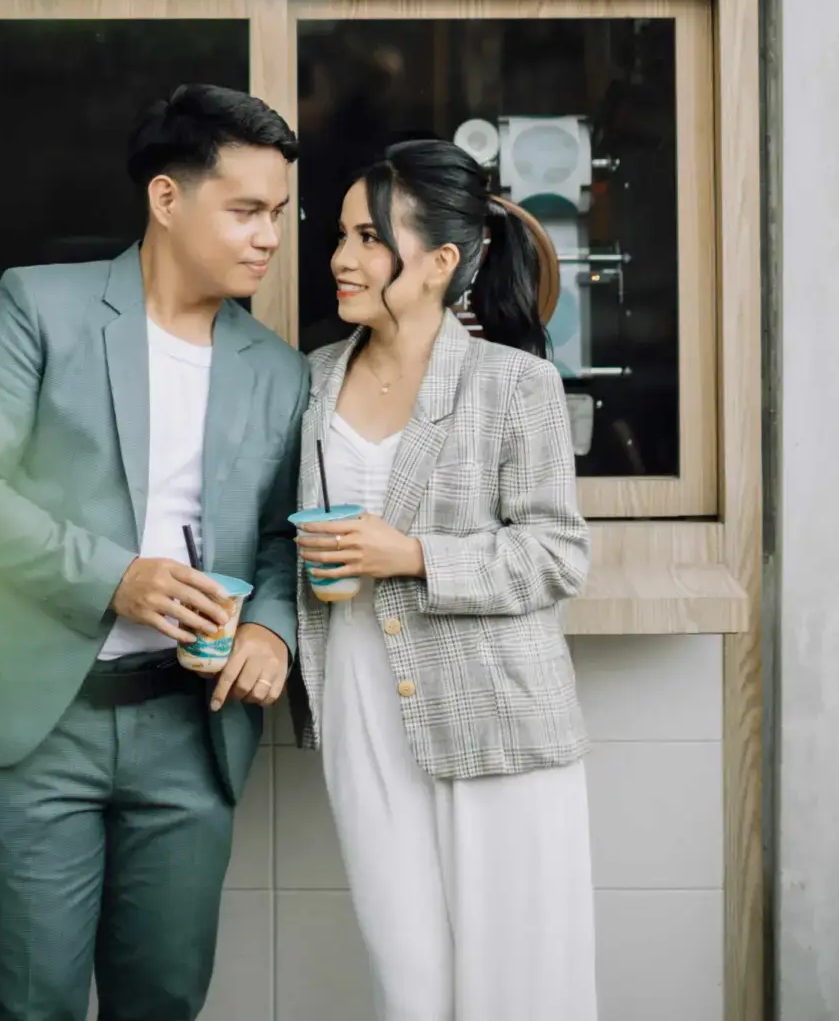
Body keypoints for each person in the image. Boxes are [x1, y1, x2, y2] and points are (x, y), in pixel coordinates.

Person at [0, 84, 310, 1021]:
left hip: (191, 732)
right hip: (35, 725)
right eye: (246, 210)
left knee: (164, 1003)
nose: (269, 237)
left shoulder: (279, 369)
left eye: (279, 214)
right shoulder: (41, 305)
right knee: (27, 1006)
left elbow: (278, 536)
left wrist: (271, 631)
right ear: (167, 198)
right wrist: (116, 580)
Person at [292, 139, 596, 1021]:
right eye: (341, 235)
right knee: (408, 981)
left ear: (439, 262)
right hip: (357, 703)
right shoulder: (312, 379)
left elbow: (557, 554)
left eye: (370, 238)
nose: (342, 257)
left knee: (519, 986)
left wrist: (414, 555)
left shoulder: (517, 385)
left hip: (496, 716)